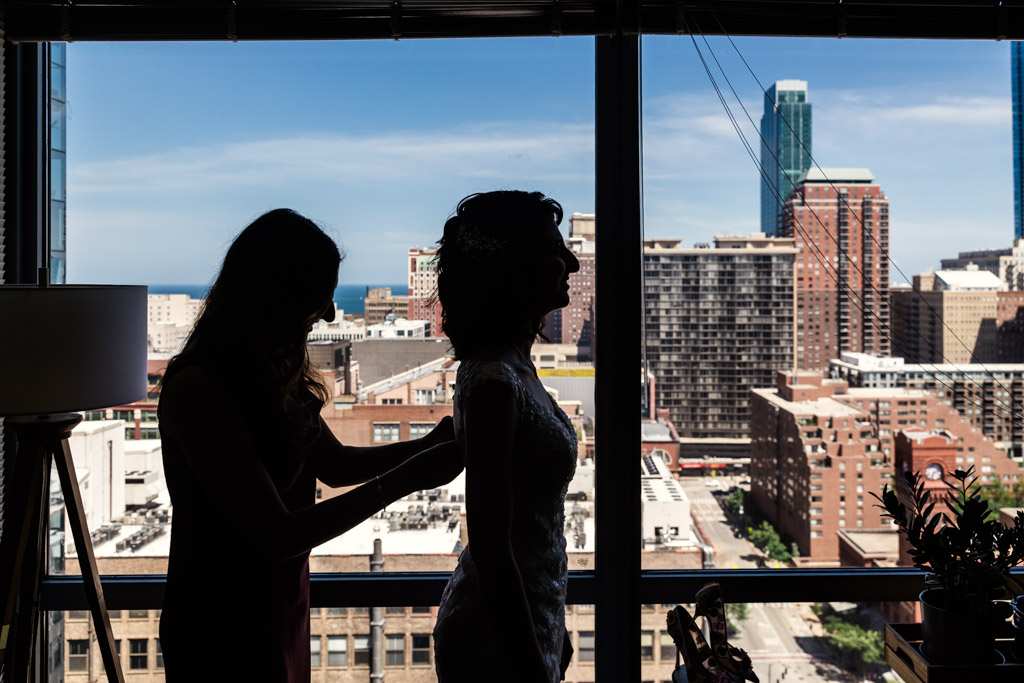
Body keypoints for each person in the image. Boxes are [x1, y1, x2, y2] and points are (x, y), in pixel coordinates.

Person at [157, 208, 462, 682]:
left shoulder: (273, 375)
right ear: (277, 292)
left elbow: (334, 465)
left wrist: (429, 445)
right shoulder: (199, 390)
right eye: (319, 294)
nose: (330, 314)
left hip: (281, 604)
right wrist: (406, 479)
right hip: (221, 621)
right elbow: (275, 534)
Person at [432, 191, 581, 683]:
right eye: (557, 251)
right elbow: (494, 549)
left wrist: (552, 623)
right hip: (494, 637)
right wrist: (532, 667)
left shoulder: (514, 366)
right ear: (519, 269)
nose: (574, 262)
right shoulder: (495, 381)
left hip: (528, 615)